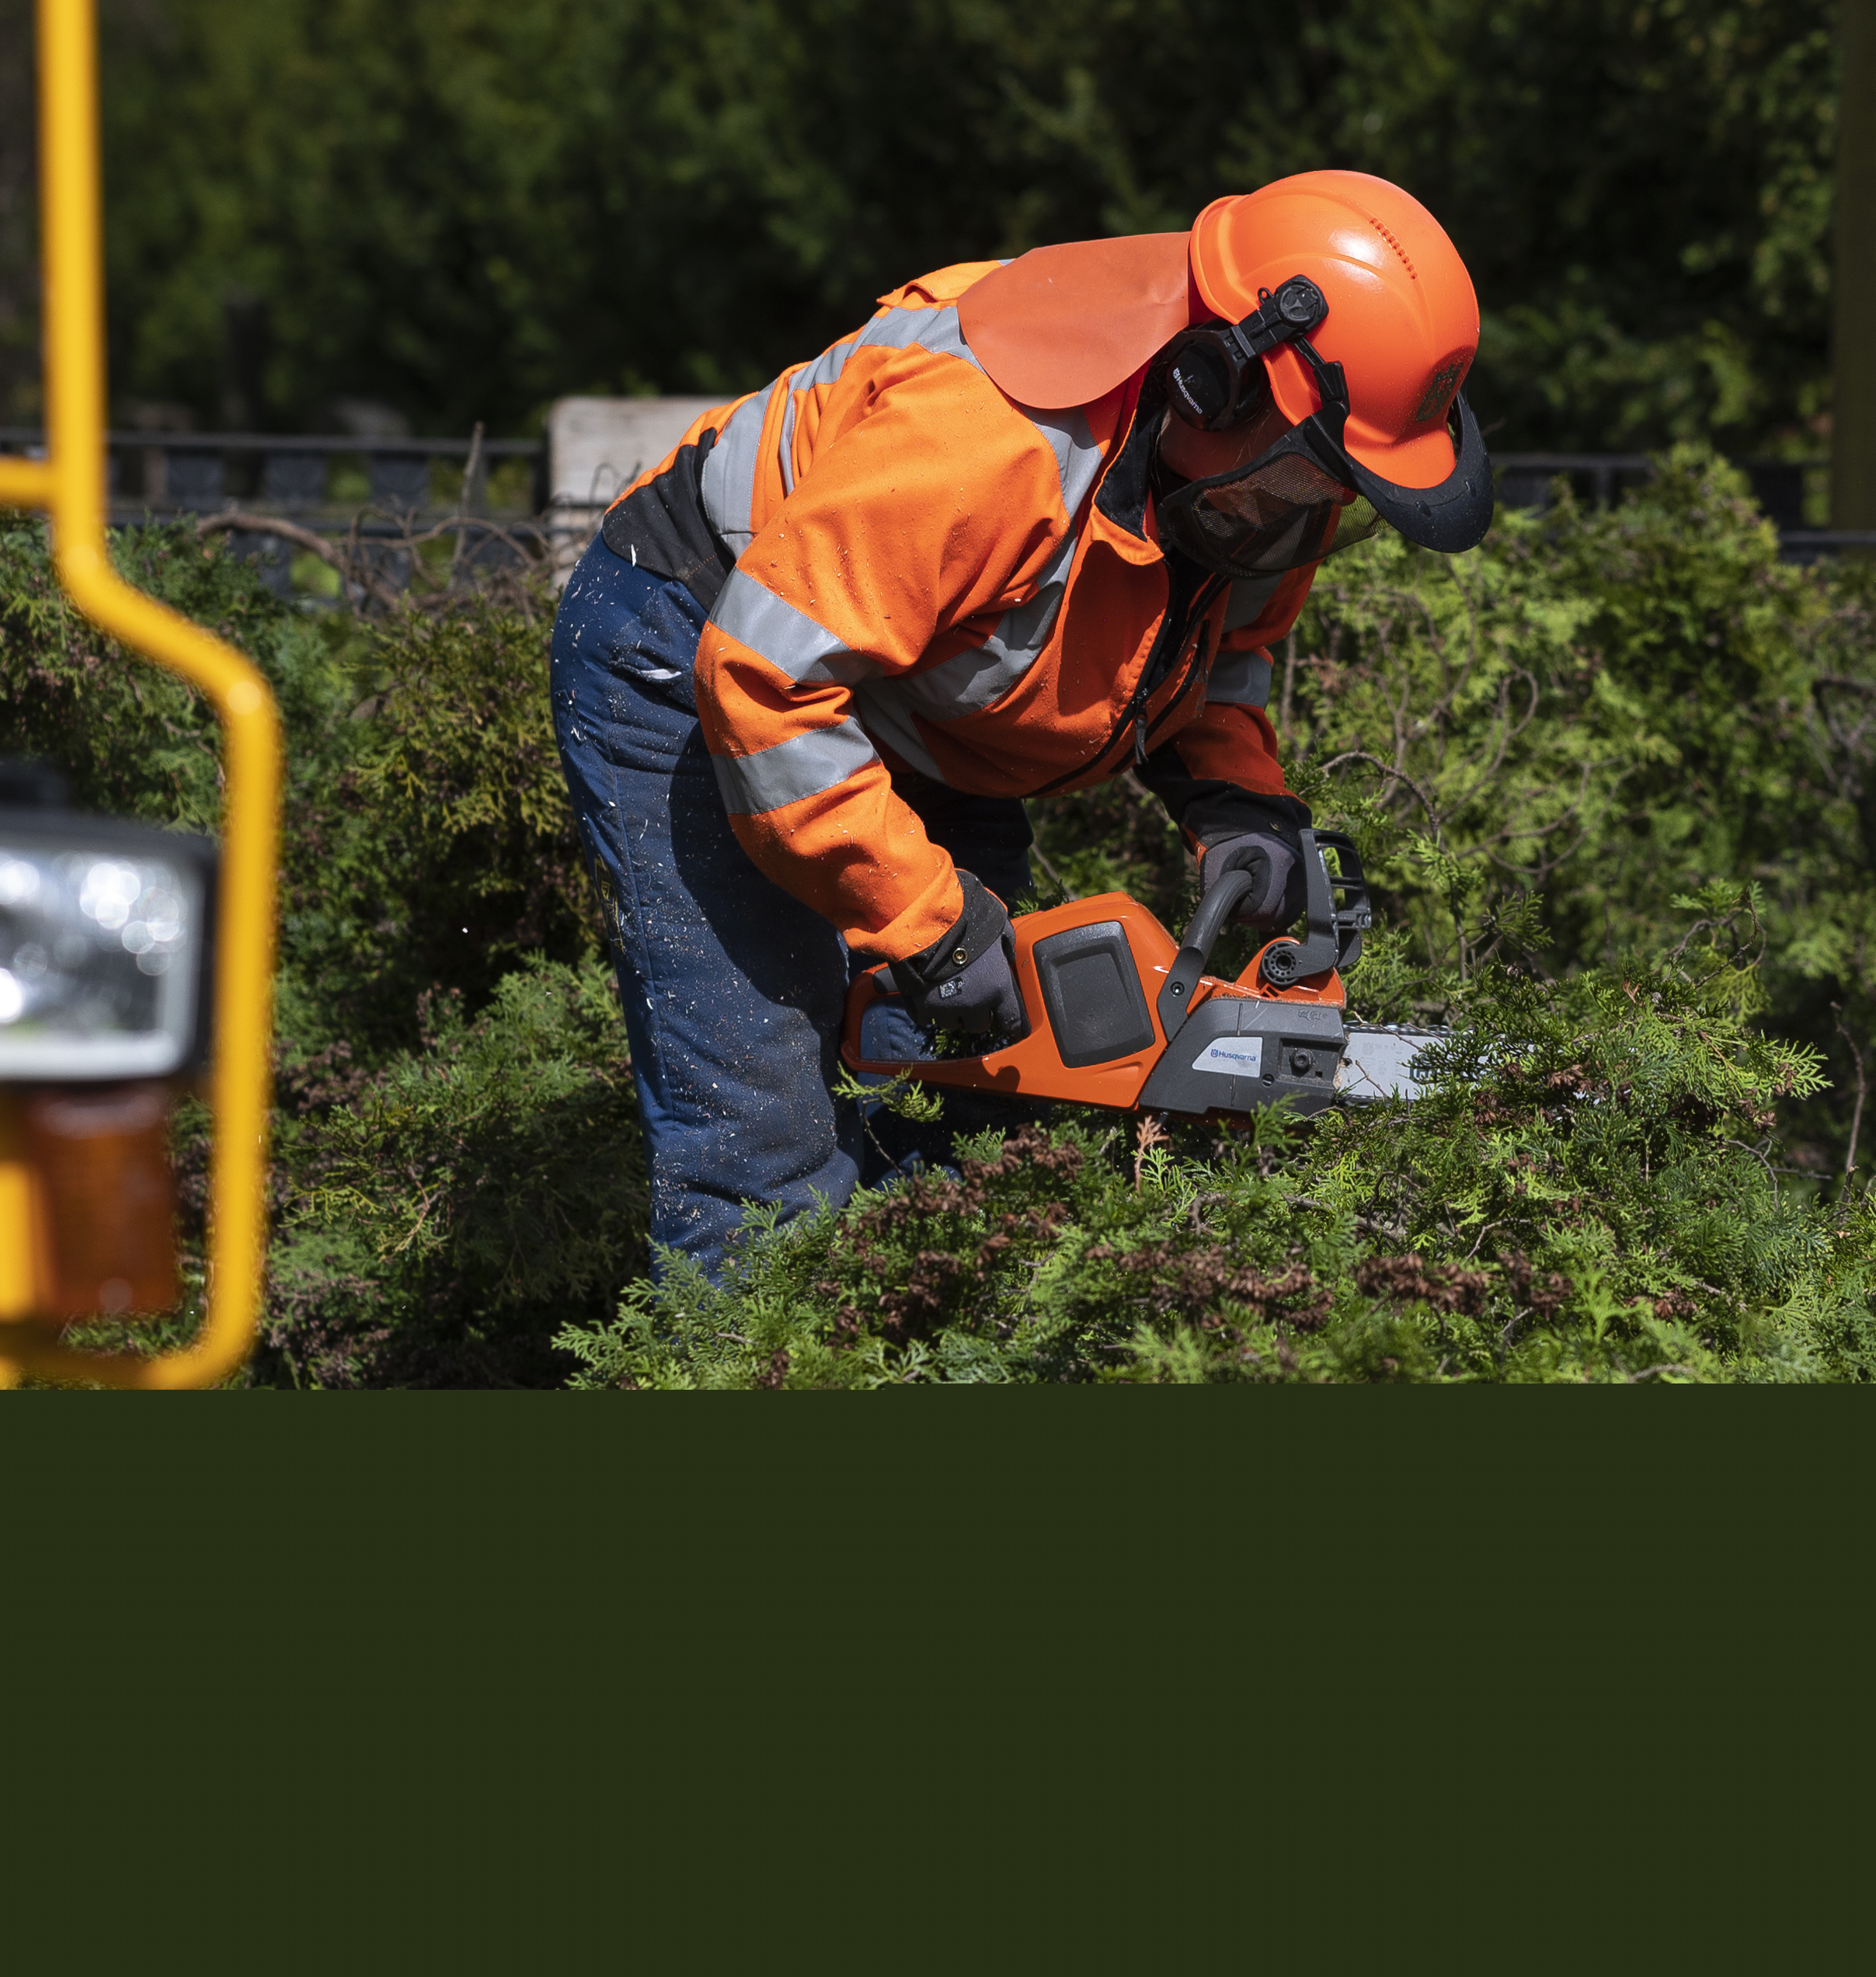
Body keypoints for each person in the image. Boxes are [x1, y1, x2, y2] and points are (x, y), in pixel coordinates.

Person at [548, 169, 1494, 1272]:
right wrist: (926, 919)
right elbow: (764, 674)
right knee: (765, 1144)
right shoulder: (997, 437)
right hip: (705, 647)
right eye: (1307, 482)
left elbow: (1220, 653)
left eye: (1338, 499)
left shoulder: (1246, 503)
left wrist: (1235, 797)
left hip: (921, 706)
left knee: (960, 1113)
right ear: (1207, 384)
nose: (1311, 520)